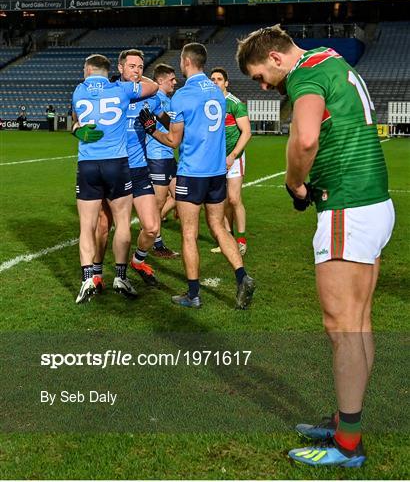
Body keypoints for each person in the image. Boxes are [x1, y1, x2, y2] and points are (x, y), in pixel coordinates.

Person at [236, 25, 395, 467]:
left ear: (274, 58)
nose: (264, 86)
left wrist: (294, 182)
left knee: (341, 325)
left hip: (347, 204)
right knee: (358, 322)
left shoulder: (304, 74)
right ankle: (348, 423)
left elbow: (305, 137)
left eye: (261, 77)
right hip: (373, 202)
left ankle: (347, 446)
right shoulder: (327, 57)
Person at [138, 42, 255, 309]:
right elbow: (194, 125)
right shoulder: (217, 92)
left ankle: (193, 295)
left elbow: (173, 141)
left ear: (186, 61)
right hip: (216, 172)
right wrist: (161, 117)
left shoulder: (182, 95)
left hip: (192, 173)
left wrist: (151, 129)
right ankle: (242, 275)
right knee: (218, 227)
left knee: (188, 233)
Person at [71, 53, 158, 304]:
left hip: (87, 164)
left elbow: (76, 124)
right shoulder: (121, 90)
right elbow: (151, 88)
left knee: (87, 225)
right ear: (111, 68)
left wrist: (78, 130)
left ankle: (88, 277)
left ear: (87, 70)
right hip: (117, 163)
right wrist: (138, 77)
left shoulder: (78, 91)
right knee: (121, 222)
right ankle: (120, 276)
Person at [92, 49, 174, 289]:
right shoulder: (108, 93)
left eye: (140, 67)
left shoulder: (149, 97)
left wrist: (154, 128)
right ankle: (97, 274)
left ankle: (138, 261)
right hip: (112, 168)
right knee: (105, 226)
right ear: (120, 68)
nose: (137, 71)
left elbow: (169, 123)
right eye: (132, 66)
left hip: (138, 169)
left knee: (151, 227)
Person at [210, 67, 252, 256]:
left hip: (233, 157)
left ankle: (241, 240)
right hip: (216, 158)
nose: (215, 82)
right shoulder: (209, 104)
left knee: (234, 199)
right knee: (222, 201)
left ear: (226, 83)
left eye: (219, 79)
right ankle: (227, 238)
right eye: (212, 79)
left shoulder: (234, 103)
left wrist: (233, 155)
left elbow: (247, 132)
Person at [146, 63, 179, 258]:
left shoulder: (167, 99)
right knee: (157, 204)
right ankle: (157, 244)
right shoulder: (153, 100)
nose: (175, 82)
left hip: (168, 156)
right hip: (157, 156)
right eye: (171, 79)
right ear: (159, 81)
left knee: (180, 196)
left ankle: (154, 227)